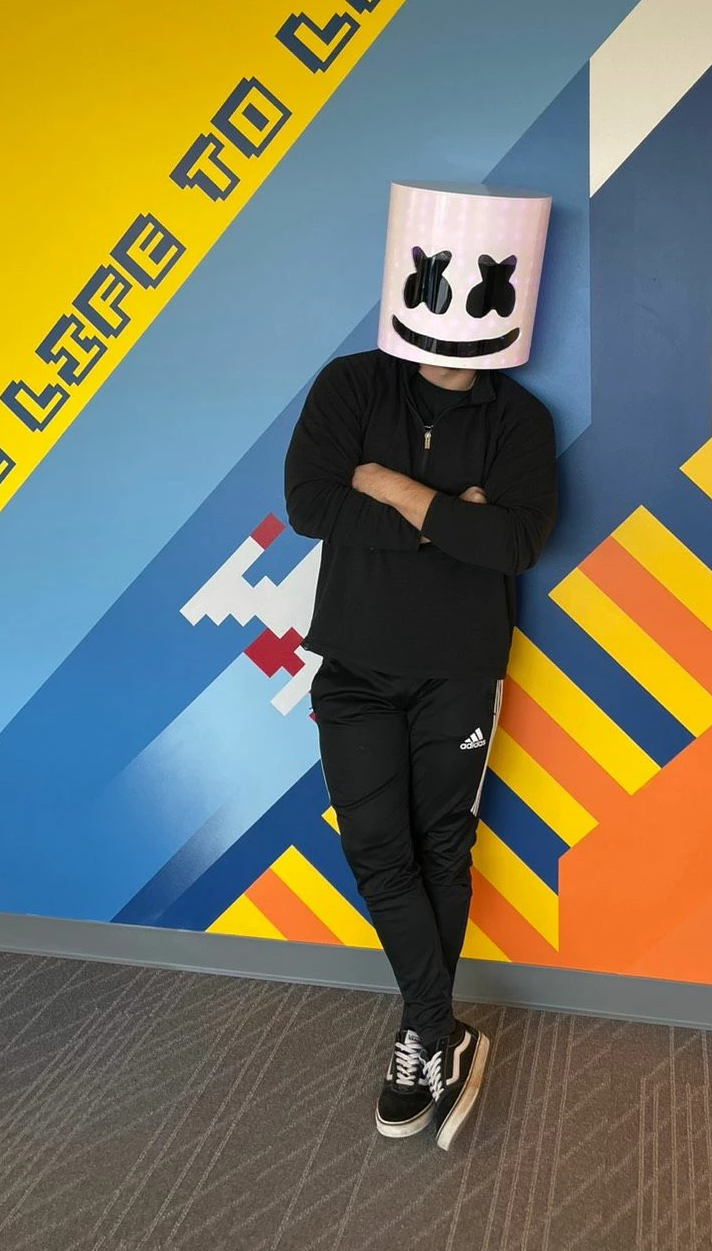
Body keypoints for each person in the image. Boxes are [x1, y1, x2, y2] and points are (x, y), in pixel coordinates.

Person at [284, 183, 557, 1151]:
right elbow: (312, 505)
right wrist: (448, 517)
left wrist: (392, 488)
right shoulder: (351, 387)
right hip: (355, 664)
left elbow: (514, 543)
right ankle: (441, 1031)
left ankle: (420, 1037)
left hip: (459, 669)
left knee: (441, 847)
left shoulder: (520, 421)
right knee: (376, 849)